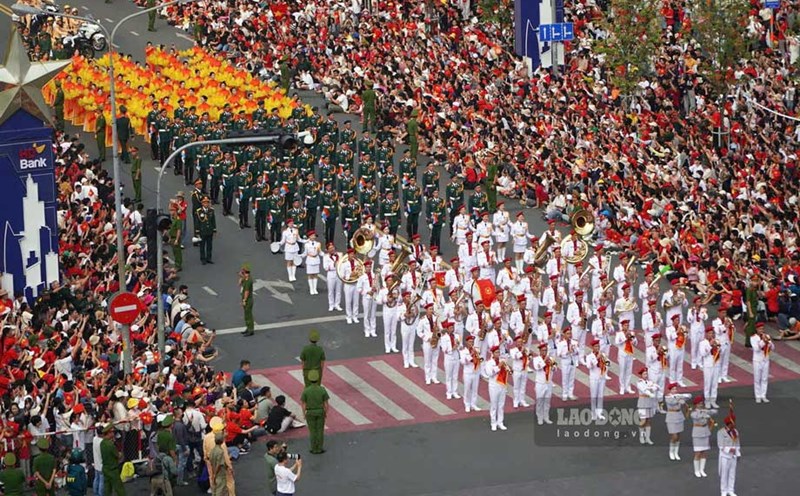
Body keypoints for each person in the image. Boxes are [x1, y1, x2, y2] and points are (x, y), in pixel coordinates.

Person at [300, 370, 329, 454]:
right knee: (320, 430)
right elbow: (326, 404)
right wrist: (325, 413)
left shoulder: (306, 391)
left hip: (310, 412)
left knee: (312, 431)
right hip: (320, 412)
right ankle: (319, 448)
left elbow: (303, 404)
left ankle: (313, 448)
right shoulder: (322, 389)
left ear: (309, 379)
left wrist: (304, 413)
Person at [691, 396, 716, 478]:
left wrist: (708, 411)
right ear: (696, 405)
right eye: (699, 404)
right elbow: (697, 416)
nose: (701, 405)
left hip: (705, 432)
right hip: (697, 433)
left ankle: (702, 469)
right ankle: (696, 470)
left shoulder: (704, 411)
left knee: (704, 452)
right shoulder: (694, 413)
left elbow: (714, 412)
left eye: (701, 403)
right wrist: (704, 414)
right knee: (698, 453)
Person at [664, 383, 690, 461]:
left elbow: (689, 396)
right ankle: (671, 452)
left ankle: (676, 452)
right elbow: (672, 402)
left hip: (679, 415)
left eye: (675, 389)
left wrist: (681, 396)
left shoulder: (678, 395)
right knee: (674, 436)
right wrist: (679, 398)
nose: (675, 391)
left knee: (678, 436)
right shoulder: (668, 397)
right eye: (673, 389)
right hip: (671, 416)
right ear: (670, 390)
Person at [718, 411, 741, 496]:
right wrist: (730, 450)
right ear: (729, 424)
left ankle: (731, 490)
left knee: (732, 474)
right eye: (732, 423)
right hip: (725, 457)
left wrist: (738, 453)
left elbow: (737, 443)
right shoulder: (721, 433)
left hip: (733, 457)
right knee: (724, 474)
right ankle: (723, 491)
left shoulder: (735, 432)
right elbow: (720, 446)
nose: (734, 425)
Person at [750, 322, 774, 403]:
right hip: (757, 360)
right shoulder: (753, 338)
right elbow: (756, 349)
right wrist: (763, 341)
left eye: (762, 329)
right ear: (757, 329)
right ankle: (758, 396)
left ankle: (763, 395)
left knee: (764, 378)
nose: (761, 330)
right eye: (760, 329)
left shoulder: (767, 336)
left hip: (765, 359)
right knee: (757, 379)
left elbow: (773, 348)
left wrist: (769, 342)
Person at [99, 424, 125, 496]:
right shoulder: (110, 445)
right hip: (113, 469)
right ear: (109, 433)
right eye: (112, 432)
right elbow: (118, 455)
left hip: (105, 468)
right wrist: (120, 452)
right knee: (119, 489)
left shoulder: (102, 443)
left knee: (107, 489)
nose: (113, 434)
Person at [196, 196, 217, 264]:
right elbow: (197, 222)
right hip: (202, 231)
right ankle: (203, 258)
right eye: (204, 202)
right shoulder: (199, 211)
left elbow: (213, 221)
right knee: (202, 246)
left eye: (207, 202)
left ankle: (209, 258)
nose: (206, 204)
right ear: (202, 203)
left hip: (209, 231)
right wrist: (197, 232)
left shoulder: (211, 210)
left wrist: (214, 230)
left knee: (209, 245)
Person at [239, 264, 254, 336]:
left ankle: (250, 330)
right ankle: (248, 328)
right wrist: (241, 277)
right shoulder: (245, 279)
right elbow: (239, 284)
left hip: (248, 300)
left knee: (248, 315)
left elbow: (246, 292)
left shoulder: (248, 281)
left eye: (243, 272)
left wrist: (244, 300)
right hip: (246, 299)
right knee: (246, 315)